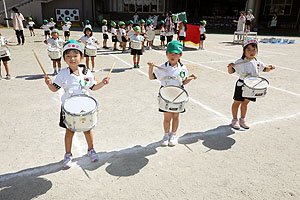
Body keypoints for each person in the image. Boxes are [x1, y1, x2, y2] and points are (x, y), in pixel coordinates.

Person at [44, 40, 110, 168]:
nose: (72, 59)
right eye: (68, 56)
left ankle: (91, 150)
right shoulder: (62, 73)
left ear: (81, 57)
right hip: (69, 107)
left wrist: (102, 83)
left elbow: (93, 87)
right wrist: (49, 84)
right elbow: (54, 89)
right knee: (69, 132)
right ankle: (68, 154)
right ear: (64, 58)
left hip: (84, 106)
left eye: (75, 55)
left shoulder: (86, 72)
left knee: (87, 130)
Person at [147, 40, 197, 146]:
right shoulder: (162, 67)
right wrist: (151, 68)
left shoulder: (183, 68)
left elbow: (183, 82)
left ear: (180, 55)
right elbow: (151, 77)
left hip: (178, 96)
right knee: (167, 117)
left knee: (176, 116)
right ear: (166, 54)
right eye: (170, 53)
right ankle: (166, 135)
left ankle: (173, 135)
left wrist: (191, 78)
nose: (172, 56)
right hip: (166, 95)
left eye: (175, 54)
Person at [227, 38, 275, 130]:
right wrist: (230, 67)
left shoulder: (258, 63)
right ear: (244, 50)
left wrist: (270, 68)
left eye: (254, 49)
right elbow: (231, 72)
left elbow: (265, 69)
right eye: (248, 49)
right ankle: (234, 119)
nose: (251, 52)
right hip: (241, 85)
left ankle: (242, 119)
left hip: (252, 86)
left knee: (245, 103)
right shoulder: (239, 62)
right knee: (237, 102)